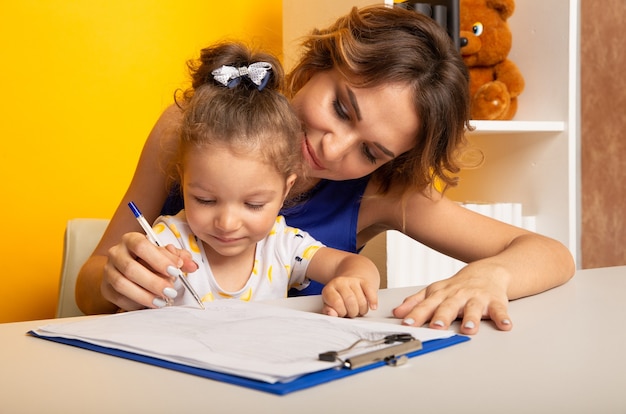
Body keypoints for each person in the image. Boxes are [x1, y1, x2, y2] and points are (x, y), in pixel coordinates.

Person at [75, 5, 575, 334]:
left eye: (371, 151)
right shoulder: (193, 127)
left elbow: (550, 254)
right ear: (316, 65)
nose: (335, 151)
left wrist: (490, 276)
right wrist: (111, 281)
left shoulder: (383, 193)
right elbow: (87, 285)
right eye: (340, 108)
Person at [124, 43, 379, 317]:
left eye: (254, 204)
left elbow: (353, 265)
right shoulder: (169, 241)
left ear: (285, 190)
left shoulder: (282, 246)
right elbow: (123, 307)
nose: (227, 223)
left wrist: (354, 282)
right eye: (205, 200)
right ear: (182, 179)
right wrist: (144, 284)